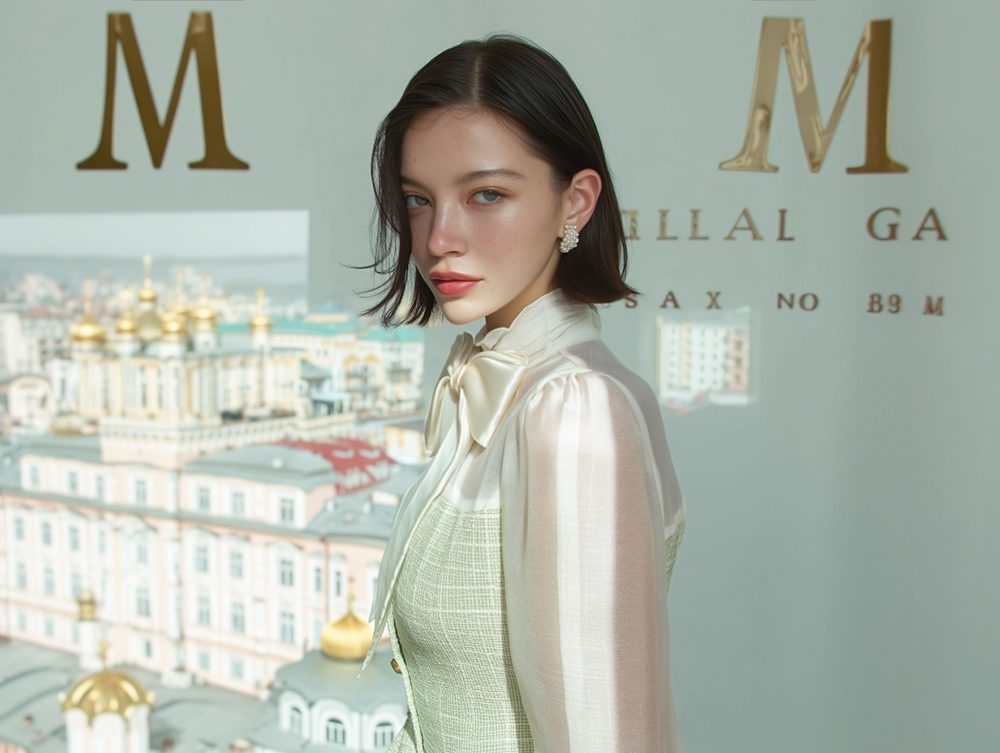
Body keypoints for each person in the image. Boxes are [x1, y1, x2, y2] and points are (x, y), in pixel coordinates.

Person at [356, 34, 686, 753]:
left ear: (576, 202)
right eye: (418, 200)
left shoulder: (574, 411)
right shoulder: (502, 384)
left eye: (487, 195)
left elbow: (603, 735)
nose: (439, 238)